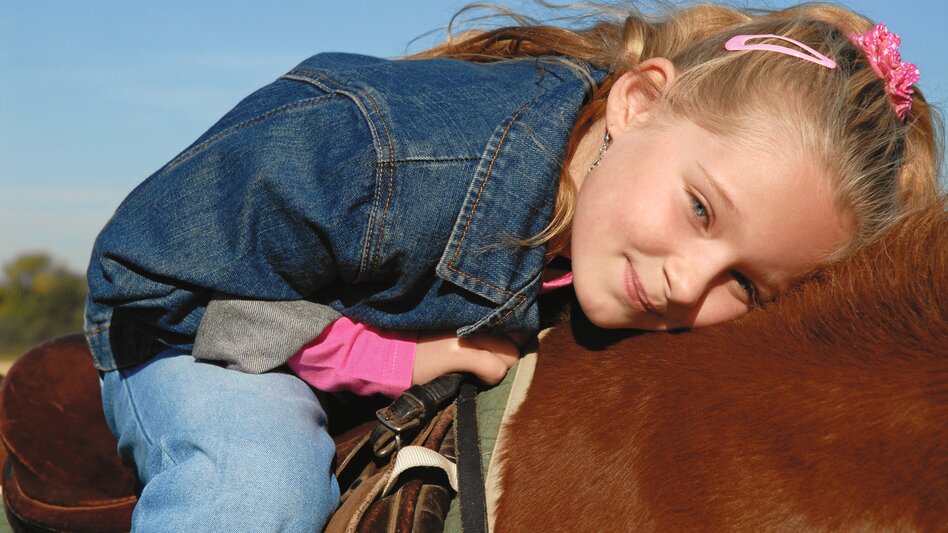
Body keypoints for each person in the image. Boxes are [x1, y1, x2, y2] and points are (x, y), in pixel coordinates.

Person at [86, 2, 941, 531]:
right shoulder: (384, 159)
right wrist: (395, 361)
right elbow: (159, 271)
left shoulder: (617, 228)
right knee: (257, 490)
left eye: (746, 284)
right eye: (702, 210)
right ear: (638, 103)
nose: (689, 282)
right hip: (188, 318)